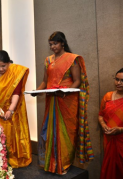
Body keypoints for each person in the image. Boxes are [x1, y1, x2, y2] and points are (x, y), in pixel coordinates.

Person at [34, 31, 94, 175]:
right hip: (52, 100)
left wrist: (66, 91)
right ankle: (51, 163)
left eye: (55, 43)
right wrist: (36, 91)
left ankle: (64, 164)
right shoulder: (48, 60)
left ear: (62, 43)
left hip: (67, 100)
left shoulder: (72, 59)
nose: (52, 47)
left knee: (67, 132)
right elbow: (45, 81)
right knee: (50, 132)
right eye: (50, 45)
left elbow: (77, 81)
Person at [0, 50, 32, 168]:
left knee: (15, 132)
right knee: (0, 133)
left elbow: (17, 93)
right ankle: (0, 158)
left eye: (4, 66)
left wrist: (11, 110)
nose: (1, 69)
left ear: (9, 63)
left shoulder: (16, 72)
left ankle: (16, 157)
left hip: (14, 107)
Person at [98, 67, 123, 179]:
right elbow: (100, 115)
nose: (118, 83)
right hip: (109, 139)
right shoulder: (108, 96)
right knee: (111, 168)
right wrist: (103, 125)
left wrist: (120, 130)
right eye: (117, 79)